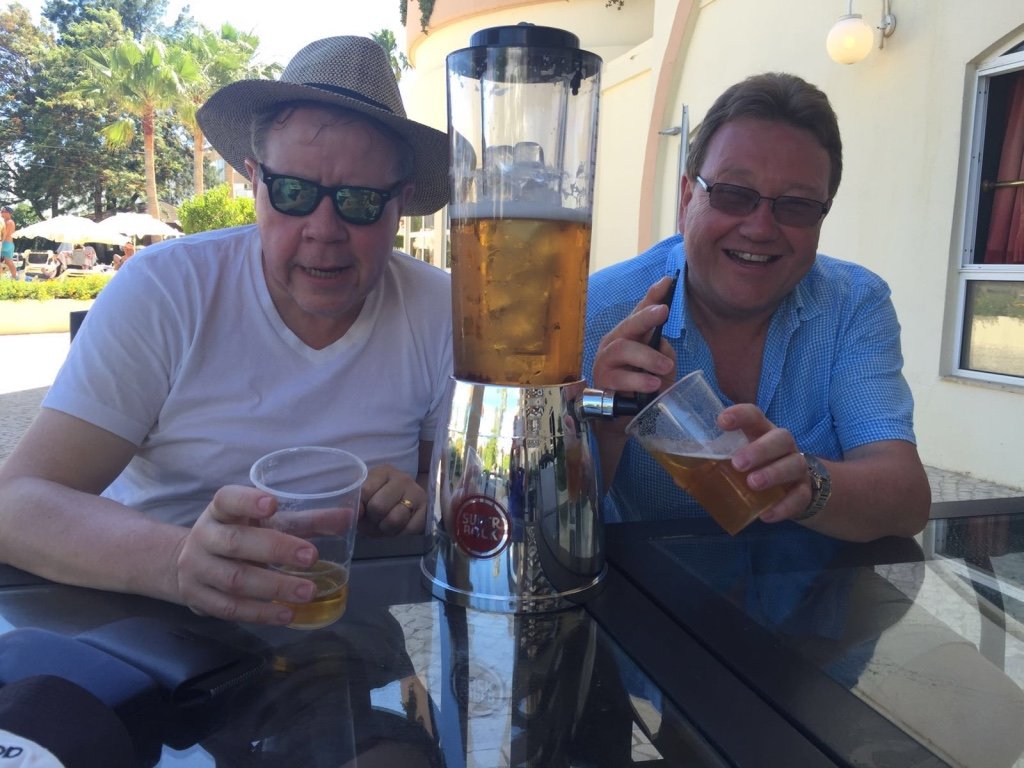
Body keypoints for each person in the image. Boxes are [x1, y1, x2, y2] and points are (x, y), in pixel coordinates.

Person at [0, 37, 452, 626]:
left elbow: (454, 490)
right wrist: (178, 562)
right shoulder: (167, 288)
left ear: (401, 204)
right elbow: (16, 503)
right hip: (153, 626)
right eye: (293, 192)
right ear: (254, 181)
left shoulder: (442, 309)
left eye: (360, 201)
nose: (324, 230)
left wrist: (414, 498)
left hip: (348, 632)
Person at [584, 72, 931, 543]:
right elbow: (540, 525)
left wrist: (807, 484)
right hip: (646, 588)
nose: (761, 228)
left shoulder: (854, 303)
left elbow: (906, 501)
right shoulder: (597, 314)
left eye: (798, 205)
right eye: (733, 194)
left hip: (814, 588)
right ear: (686, 200)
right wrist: (606, 432)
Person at [1, 206, 17, 280]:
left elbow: (4, 234)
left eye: (2, 211)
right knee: (9, 263)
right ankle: (14, 278)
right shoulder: (11, 222)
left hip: (4, 243)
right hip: (10, 244)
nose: (1, 213)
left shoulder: (7, 222)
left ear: (8, 213)